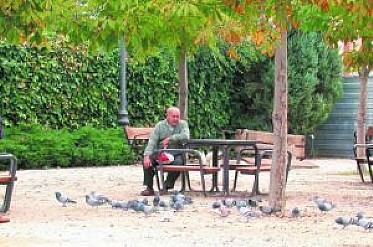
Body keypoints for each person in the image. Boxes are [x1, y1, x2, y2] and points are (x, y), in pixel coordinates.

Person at [140, 106, 190, 196]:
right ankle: (149, 188)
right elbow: (152, 141)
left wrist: (171, 138)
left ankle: (166, 186)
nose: (176, 119)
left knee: (179, 163)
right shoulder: (160, 125)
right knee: (147, 161)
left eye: (177, 116)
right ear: (167, 116)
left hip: (176, 152)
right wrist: (146, 155)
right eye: (173, 116)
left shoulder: (183, 124)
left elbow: (186, 136)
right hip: (161, 152)